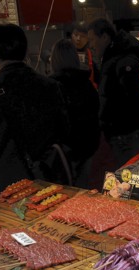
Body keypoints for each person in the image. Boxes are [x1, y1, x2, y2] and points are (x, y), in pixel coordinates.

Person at [0, 23, 69, 199]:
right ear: (25, 50)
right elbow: (64, 130)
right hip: (47, 179)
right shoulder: (51, 86)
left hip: (4, 188)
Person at [87, 18, 139, 169]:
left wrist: (113, 121)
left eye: (92, 39)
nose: (90, 45)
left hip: (125, 132)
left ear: (104, 37)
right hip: (120, 132)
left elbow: (133, 98)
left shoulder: (124, 60)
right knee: (127, 174)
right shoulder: (111, 58)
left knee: (129, 175)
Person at [49, 38, 100, 188]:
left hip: (62, 150)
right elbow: (96, 111)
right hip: (87, 146)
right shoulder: (86, 83)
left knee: (62, 191)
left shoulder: (51, 86)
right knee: (82, 184)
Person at [70, 22, 98, 88]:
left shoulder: (93, 53)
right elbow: (45, 53)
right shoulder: (65, 49)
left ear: (88, 38)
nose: (78, 39)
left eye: (82, 36)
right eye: (76, 35)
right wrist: (49, 57)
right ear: (71, 35)